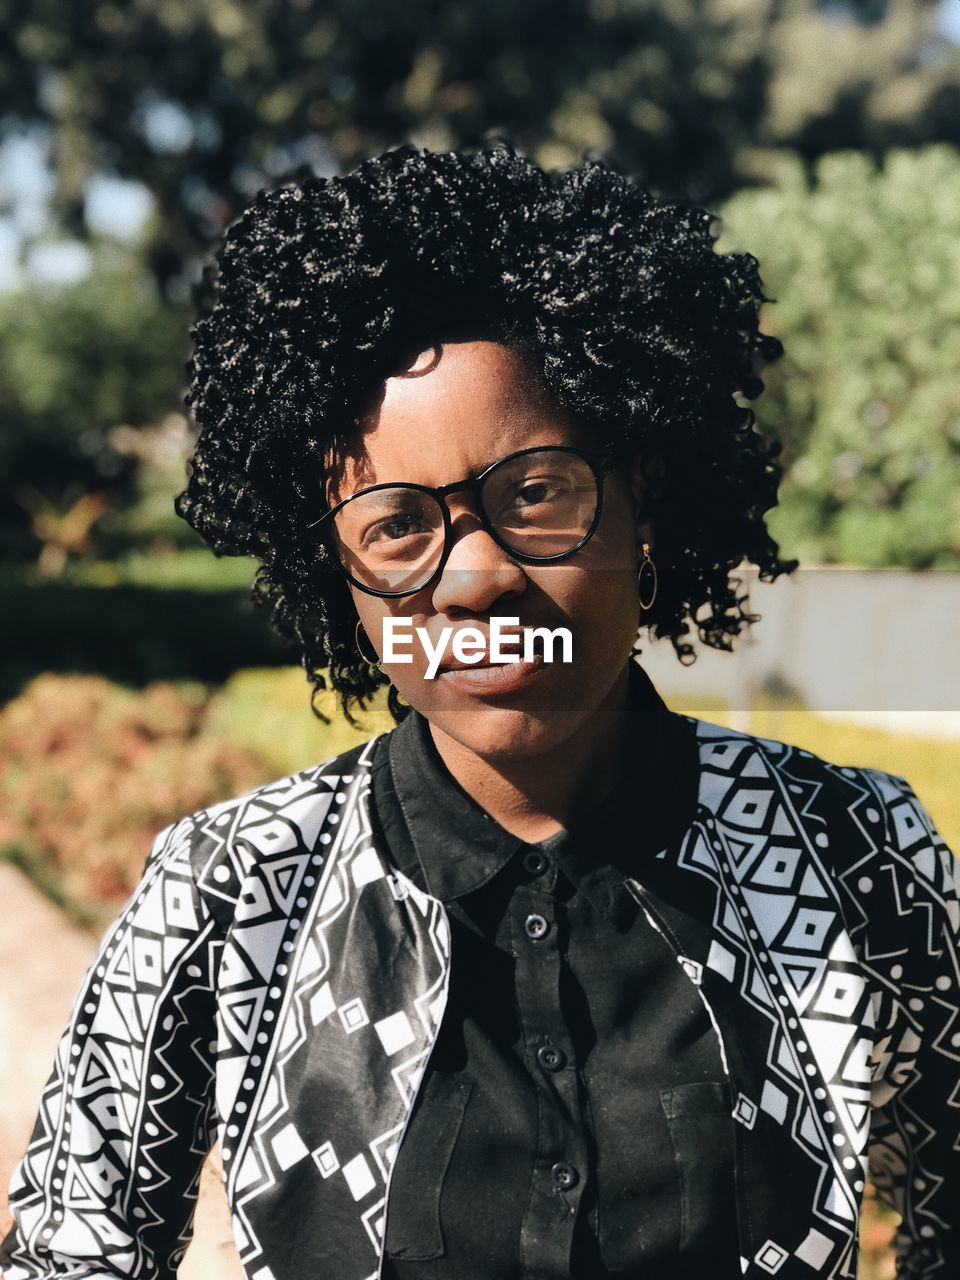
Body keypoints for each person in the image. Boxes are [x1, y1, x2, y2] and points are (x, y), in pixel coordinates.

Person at [2, 143, 958, 1280]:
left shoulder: (854, 854)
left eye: (538, 491)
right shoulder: (226, 890)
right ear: (338, 572)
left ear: (641, 493)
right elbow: (72, 1251)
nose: (473, 576)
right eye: (398, 522)